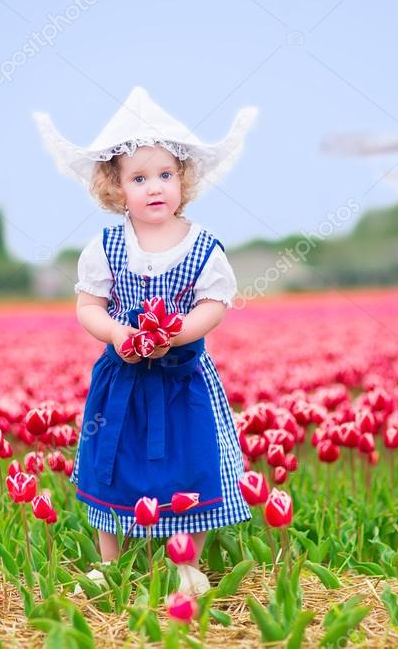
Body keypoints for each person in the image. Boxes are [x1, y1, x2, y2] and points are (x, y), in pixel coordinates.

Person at [33, 86, 257, 595]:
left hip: (183, 380)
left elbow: (215, 305)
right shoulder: (107, 245)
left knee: (190, 459)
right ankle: (111, 560)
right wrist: (116, 333)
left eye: (165, 175)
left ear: (183, 179)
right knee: (110, 460)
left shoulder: (202, 245)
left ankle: (187, 563)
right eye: (139, 177)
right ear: (115, 186)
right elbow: (88, 305)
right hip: (123, 380)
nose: (155, 187)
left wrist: (176, 331)